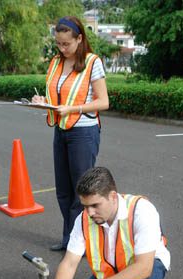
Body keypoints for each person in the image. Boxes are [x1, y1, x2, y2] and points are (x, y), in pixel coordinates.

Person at [29, 167, 170, 279]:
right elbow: (69, 264)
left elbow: (144, 268)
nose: (90, 213)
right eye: (85, 206)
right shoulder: (84, 219)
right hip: (112, 270)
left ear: (112, 196)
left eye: (95, 205)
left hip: (145, 267)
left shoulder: (142, 211)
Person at [32, 16, 109, 251]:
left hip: (83, 133)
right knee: (63, 190)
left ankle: (81, 242)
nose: (62, 48)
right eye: (58, 43)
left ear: (79, 38)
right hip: (62, 130)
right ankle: (69, 238)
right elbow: (58, 97)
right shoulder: (56, 62)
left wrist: (73, 108)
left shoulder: (92, 62)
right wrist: (42, 101)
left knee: (81, 191)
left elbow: (103, 102)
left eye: (66, 44)